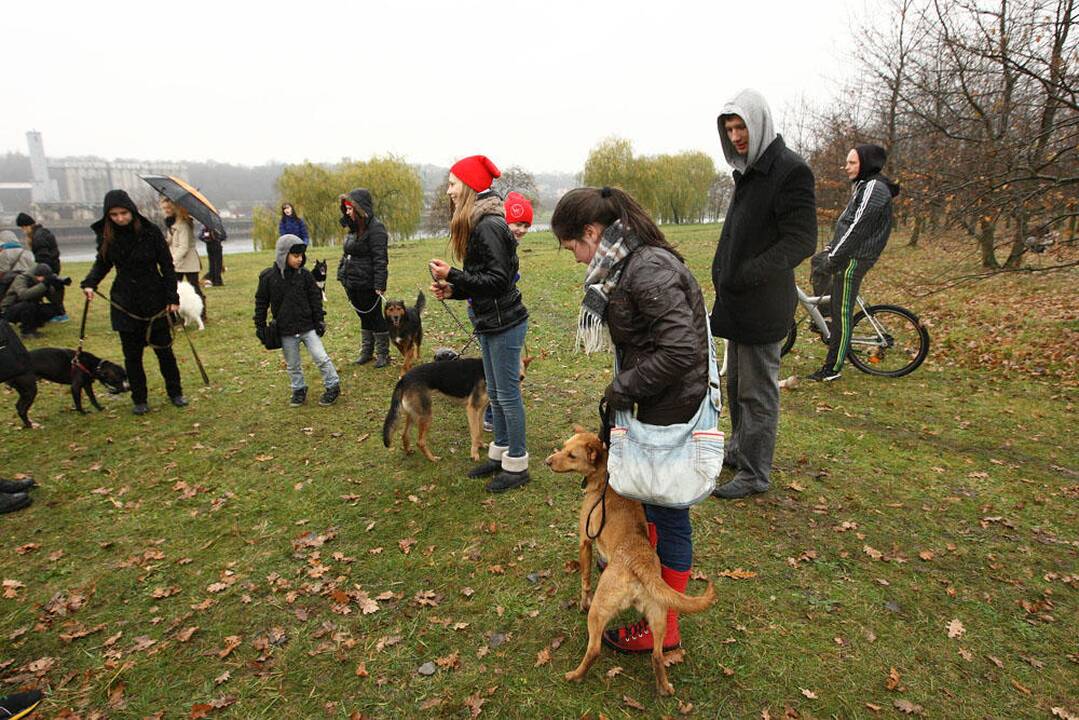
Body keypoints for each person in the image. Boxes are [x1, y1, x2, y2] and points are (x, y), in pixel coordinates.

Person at [550, 185, 710, 654]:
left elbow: (681, 349)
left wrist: (623, 388)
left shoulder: (647, 269)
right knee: (652, 507)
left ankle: (666, 626)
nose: (578, 259)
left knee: (668, 511)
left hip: (669, 409)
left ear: (592, 233)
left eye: (574, 247)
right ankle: (643, 591)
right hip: (657, 403)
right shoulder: (630, 265)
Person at [710, 88, 817, 499]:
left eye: (742, 127)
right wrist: (725, 271)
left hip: (763, 302)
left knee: (758, 393)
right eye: (730, 129)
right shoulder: (748, 171)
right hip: (738, 302)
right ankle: (739, 450)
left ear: (759, 124)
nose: (736, 136)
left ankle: (755, 473)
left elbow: (801, 240)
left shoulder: (790, 171)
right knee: (737, 386)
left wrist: (750, 272)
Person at [429, 155, 530, 493]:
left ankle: (517, 464)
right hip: (490, 321)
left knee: (506, 395)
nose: (448, 191)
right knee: (497, 396)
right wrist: (453, 288)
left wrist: (453, 275)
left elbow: (500, 281)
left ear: (469, 186)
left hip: (505, 323)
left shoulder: (488, 225)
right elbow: (481, 280)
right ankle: (500, 455)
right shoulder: (479, 222)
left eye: (453, 184)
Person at [81, 190, 187, 415]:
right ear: (108, 215)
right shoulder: (107, 236)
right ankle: (139, 398)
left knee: (164, 351)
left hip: (154, 298)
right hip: (125, 301)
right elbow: (102, 264)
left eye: (123, 213)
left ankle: (175, 392)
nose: (120, 218)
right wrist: (90, 283)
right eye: (114, 214)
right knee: (132, 356)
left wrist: (172, 298)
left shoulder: (150, 232)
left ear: (132, 211)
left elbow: (167, 266)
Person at [807, 144, 900, 382]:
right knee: (818, 262)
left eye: (852, 162)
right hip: (847, 254)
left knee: (842, 314)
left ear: (867, 163)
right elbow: (846, 224)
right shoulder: (864, 186)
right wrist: (829, 250)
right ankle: (824, 318)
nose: (846, 167)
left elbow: (858, 228)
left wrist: (835, 257)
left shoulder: (874, 188)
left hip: (854, 259)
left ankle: (833, 368)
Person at [254, 235, 340, 407]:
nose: (299, 259)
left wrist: (319, 320)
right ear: (283, 254)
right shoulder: (269, 278)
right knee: (293, 364)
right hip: (285, 330)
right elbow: (261, 302)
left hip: (307, 327)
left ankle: (333, 385)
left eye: (301, 256)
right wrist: (260, 326)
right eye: (295, 256)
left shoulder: (306, 276)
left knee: (321, 357)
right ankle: (298, 388)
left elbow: (315, 298)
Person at [476, 191, 535, 433]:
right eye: (516, 223)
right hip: (492, 315)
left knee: (500, 371)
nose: (520, 229)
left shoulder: (506, 245)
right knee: (498, 373)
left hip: (502, 315)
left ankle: (494, 416)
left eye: (525, 225)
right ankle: (492, 413)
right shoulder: (494, 241)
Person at [337, 189, 390, 367]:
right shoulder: (353, 228)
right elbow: (347, 253)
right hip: (352, 281)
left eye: (350, 209)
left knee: (375, 317)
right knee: (362, 316)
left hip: (368, 282)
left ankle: (383, 353)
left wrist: (379, 284)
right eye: (346, 209)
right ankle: (367, 351)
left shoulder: (376, 228)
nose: (348, 212)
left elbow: (380, 258)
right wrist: (342, 273)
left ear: (359, 209)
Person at [160, 197, 207, 322]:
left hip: (187, 261)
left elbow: (184, 246)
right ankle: (175, 317)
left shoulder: (183, 224)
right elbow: (172, 241)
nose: (167, 210)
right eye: (164, 208)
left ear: (175, 208)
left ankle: (201, 314)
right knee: (173, 289)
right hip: (177, 261)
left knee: (194, 288)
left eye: (169, 208)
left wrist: (172, 261)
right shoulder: (172, 223)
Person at [15, 212, 66, 321]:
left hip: (47, 268)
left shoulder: (37, 238)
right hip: (54, 266)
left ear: (26, 226)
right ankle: (59, 313)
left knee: (44, 290)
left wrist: (41, 273)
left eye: (22, 228)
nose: (22, 231)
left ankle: (57, 314)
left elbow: (42, 257)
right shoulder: (44, 233)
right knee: (53, 289)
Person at [0, 264, 66, 337]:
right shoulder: (21, 278)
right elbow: (23, 295)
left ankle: (33, 326)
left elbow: (56, 301)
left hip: (28, 307)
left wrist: (58, 288)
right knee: (28, 305)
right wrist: (44, 285)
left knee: (53, 308)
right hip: (9, 310)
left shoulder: (43, 283)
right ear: (36, 275)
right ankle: (27, 332)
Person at [0, 230, 35, 297]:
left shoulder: (4, 253)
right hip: (25, 283)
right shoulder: (27, 252)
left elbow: (2, 271)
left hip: (9, 284)